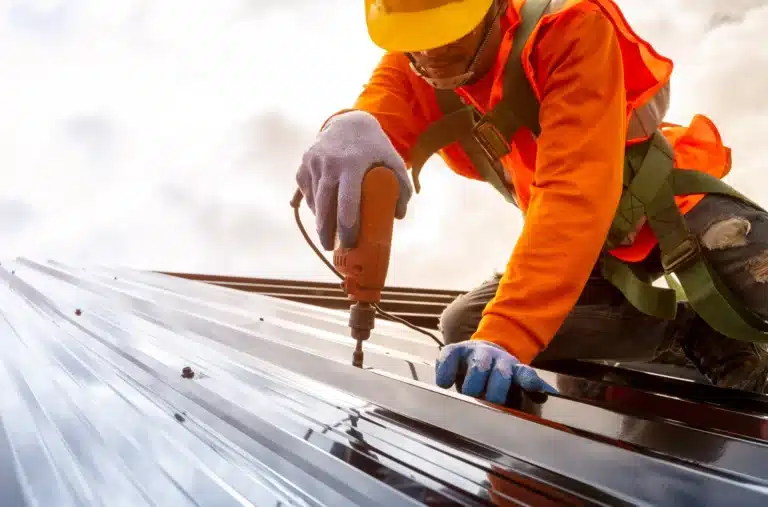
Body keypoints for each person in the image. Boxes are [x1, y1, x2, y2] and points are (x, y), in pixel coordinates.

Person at [295, 0, 768, 402]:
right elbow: (379, 113)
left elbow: (573, 193)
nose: (430, 55)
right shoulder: (415, 63)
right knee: (464, 325)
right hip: (587, 252)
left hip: (665, 207)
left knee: (756, 273)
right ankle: (689, 332)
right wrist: (349, 125)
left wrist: (509, 335)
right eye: (416, 40)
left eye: (448, 36)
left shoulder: (568, 26)